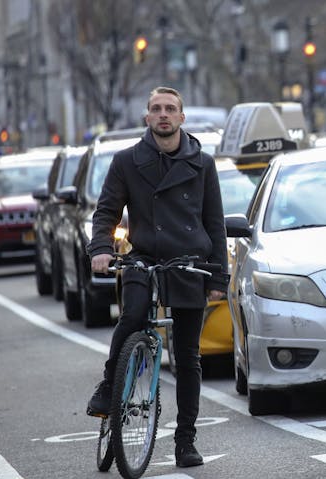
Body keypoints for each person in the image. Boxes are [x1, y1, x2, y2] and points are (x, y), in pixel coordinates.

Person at [85, 86, 228, 468]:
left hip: (188, 261)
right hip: (143, 258)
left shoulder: (203, 164)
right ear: (146, 118)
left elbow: (215, 224)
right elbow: (106, 212)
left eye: (170, 109)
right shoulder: (127, 161)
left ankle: (185, 440)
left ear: (182, 118)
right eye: (156, 109)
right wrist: (100, 248)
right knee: (131, 318)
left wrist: (218, 277)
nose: (163, 114)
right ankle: (108, 385)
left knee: (188, 356)